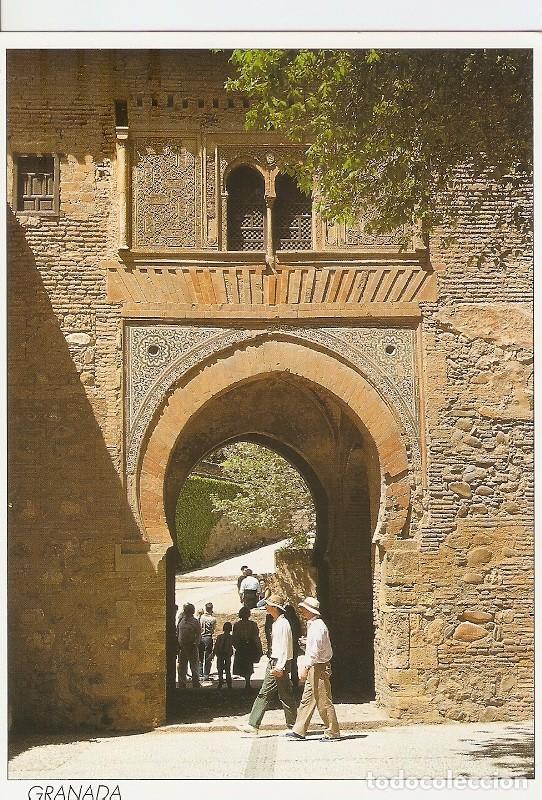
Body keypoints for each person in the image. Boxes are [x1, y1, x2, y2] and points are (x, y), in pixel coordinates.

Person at [237, 594, 298, 735]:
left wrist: (280, 666)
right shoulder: (277, 623)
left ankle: (254, 724)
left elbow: (285, 646)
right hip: (275, 661)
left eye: (268, 604)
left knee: (269, 693)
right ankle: (293, 725)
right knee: (284, 694)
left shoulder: (283, 624)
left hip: (278, 662)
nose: (266, 607)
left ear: (274, 608)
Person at [285, 597, 341, 741]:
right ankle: (299, 729)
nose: (302, 611)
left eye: (304, 609)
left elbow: (315, 651)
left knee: (323, 700)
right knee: (307, 698)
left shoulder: (317, 627)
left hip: (319, 667)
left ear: (310, 611)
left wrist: (306, 667)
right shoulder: (314, 625)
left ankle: (333, 731)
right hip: (316, 666)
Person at [232, 606, 263, 689]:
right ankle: (247, 681)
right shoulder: (252, 625)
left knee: (244, 664)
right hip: (249, 646)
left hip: (241, 647)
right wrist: (259, 648)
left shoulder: (237, 625)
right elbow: (256, 637)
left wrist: (236, 645)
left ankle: (247, 681)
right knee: (248, 665)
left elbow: (234, 637)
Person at [176, 602, 201, 689]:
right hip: (182, 647)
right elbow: (178, 632)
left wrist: (195, 643)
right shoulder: (181, 620)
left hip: (192, 647)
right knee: (182, 667)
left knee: (194, 667)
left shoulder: (195, 621)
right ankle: (182, 684)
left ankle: (196, 684)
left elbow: (198, 634)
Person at [284, 603, 302, 689]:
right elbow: (299, 633)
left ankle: (286, 682)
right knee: (294, 663)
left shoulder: (284, 622)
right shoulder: (295, 620)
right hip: (294, 644)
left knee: (285, 663)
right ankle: (294, 680)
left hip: (286, 644)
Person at [198, 602, 217, 681]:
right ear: (211, 609)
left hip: (201, 637)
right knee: (208, 657)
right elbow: (213, 629)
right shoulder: (213, 619)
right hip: (208, 637)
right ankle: (206, 674)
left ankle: (200, 673)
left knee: (200, 656)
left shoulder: (201, 617)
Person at [213, 621, 234, 689]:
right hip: (227, 654)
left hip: (221, 654)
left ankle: (221, 681)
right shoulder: (231, 637)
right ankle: (228, 683)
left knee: (220, 669)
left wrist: (214, 654)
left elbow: (216, 646)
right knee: (227, 669)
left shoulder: (220, 637)